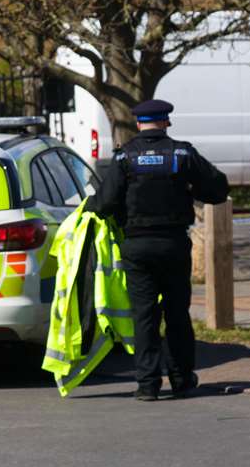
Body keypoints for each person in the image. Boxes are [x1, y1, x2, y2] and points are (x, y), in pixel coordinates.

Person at [87, 98, 230, 401]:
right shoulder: (182, 153)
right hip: (174, 245)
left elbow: (104, 204)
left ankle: (148, 384)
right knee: (177, 314)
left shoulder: (124, 158)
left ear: (138, 124)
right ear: (166, 122)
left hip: (137, 247)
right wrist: (191, 190)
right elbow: (218, 189)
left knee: (145, 316)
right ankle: (181, 379)